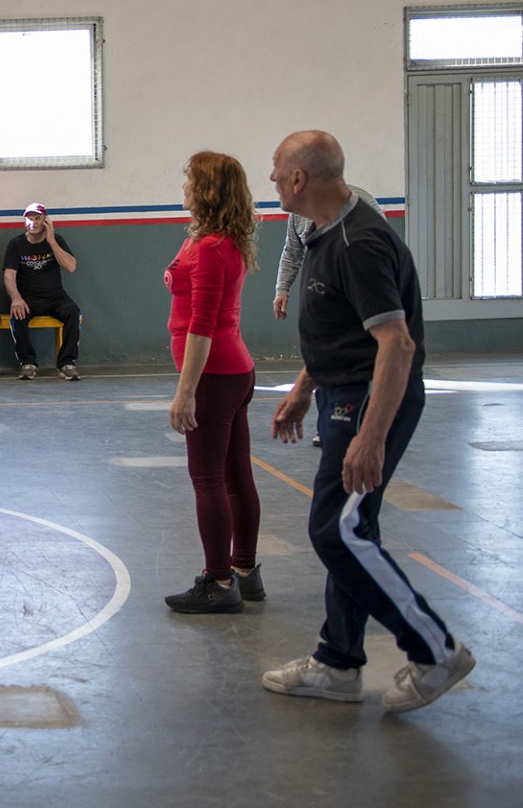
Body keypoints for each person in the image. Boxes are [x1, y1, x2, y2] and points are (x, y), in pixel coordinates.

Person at [261, 130, 475, 712]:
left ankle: (435, 651)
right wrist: (305, 387)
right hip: (340, 394)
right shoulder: (322, 233)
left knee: (337, 531)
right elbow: (342, 331)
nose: (272, 178)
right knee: (352, 530)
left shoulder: (360, 241)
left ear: (300, 178)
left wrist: (372, 436)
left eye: (277, 168)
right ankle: (338, 662)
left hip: (367, 401)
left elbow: (396, 345)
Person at [162, 152, 262, 614]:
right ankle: (244, 571)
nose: (183, 187)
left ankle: (220, 582)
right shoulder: (218, 241)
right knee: (236, 474)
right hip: (234, 371)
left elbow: (201, 328)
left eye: (189, 181)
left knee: (208, 479)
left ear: (205, 191)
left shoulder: (208, 248)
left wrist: (186, 393)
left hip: (214, 376)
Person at [276, 183, 380, 447]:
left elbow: (382, 255)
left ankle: (369, 428)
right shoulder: (298, 213)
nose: (275, 178)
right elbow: (292, 252)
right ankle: (328, 426)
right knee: (324, 366)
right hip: (322, 307)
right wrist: (282, 288)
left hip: (358, 307)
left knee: (356, 368)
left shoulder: (363, 204)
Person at [1, 202, 82, 380]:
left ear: (45, 220)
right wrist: (16, 298)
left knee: (73, 312)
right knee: (17, 314)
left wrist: (52, 241)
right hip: (28, 298)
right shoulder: (16, 244)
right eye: (29, 219)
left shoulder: (57, 240)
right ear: (24, 222)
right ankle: (27, 363)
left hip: (56, 297)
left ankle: (67, 363)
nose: (33, 222)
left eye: (37, 218)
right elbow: (9, 275)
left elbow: (71, 266)